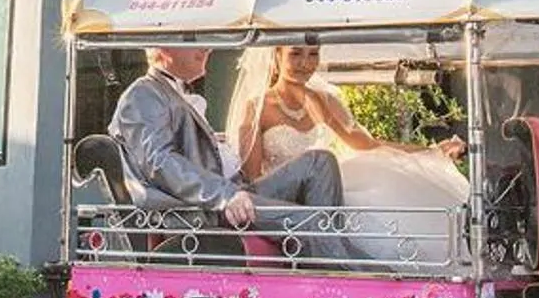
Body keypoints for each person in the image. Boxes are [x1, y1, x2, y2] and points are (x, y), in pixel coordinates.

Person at [108, 47, 357, 260]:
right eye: (193, 41)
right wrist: (225, 195)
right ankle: (360, 287)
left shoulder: (174, 93)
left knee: (320, 162)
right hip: (204, 211)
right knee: (313, 222)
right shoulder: (143, 94)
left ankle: (336, 264)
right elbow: (159, 162)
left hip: (233, 193)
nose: (207, 49)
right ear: (163, 48)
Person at [232, 45, 469, 262]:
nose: (306, 63)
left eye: (313, 54)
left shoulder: (324, 100)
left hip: (327, 194)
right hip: (286, 200)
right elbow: (255, 180)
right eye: (296, 54)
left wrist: (431, 150)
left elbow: (369, 144)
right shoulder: (257, 107)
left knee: (387, 196)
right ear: (277, 55)